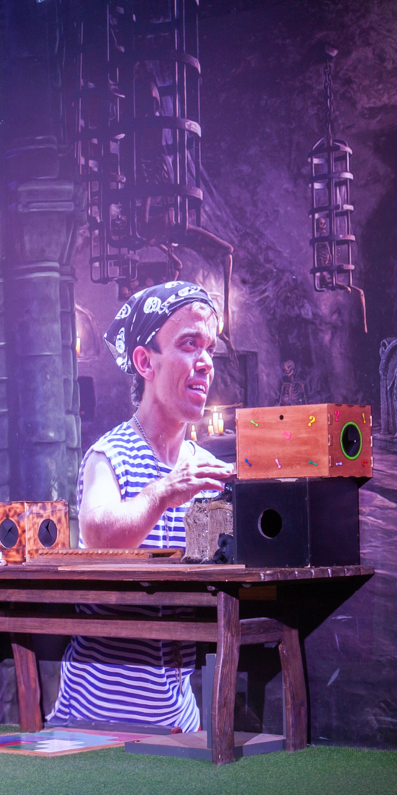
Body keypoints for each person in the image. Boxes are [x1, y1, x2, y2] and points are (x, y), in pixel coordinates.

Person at [48, 281, 237, 731]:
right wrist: (165, 491)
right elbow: (98, 533)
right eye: (188, 344)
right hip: (94, 722)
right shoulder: (109, 455)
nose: (205, 362)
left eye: (209, 348)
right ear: (144, 362)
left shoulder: (205, 468)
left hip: (178, 724)